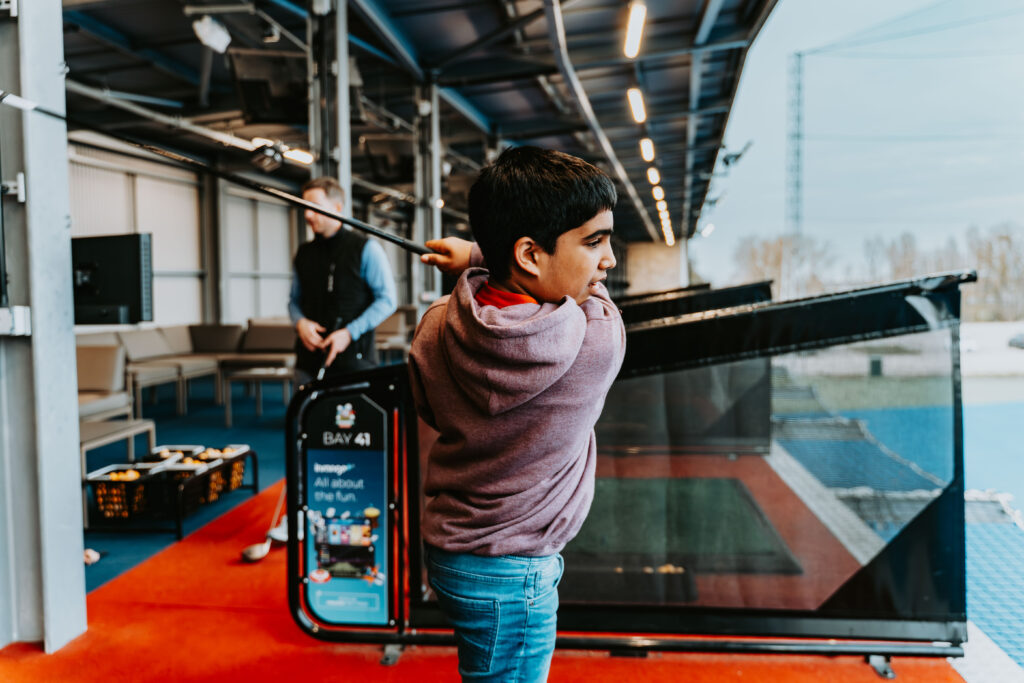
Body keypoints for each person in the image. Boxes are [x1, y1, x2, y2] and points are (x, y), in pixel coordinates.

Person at [409, 146, 626, 682]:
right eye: (594, 241)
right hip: (516, 572)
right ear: (529, 253)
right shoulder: (594, 342)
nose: (609, 259)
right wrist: (480, 255)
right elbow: (596, 295)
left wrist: (482, 261)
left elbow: (428, 408)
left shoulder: (435, 325)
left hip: (452, 553)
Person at [289, 177, 397, 384]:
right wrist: (300, 322)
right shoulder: (304, 253)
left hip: (353, 364)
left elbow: (387, 300)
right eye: (305, 207)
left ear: (337, 207)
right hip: (307, 364)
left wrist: (348, 333)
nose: (307, 214)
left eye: (315, 207)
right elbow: (293, 300)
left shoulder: (365, 248)